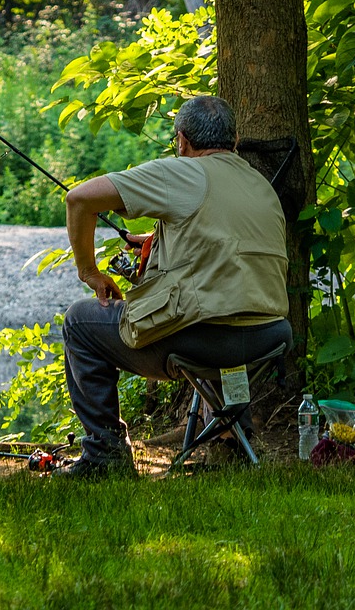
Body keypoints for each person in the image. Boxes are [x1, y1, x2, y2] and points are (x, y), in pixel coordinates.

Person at [57, 95, 293, 478]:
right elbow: (223, 246)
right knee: (231, 308)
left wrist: (90, 273)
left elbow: (80, 200)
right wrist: (156, 239)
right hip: (268, 339)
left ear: (182, 142)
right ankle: (234, 439)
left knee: (80, 322)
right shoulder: (258, 183)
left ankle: (105, 456)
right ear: (233, 142)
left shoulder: (184, 172)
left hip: (201, 341)